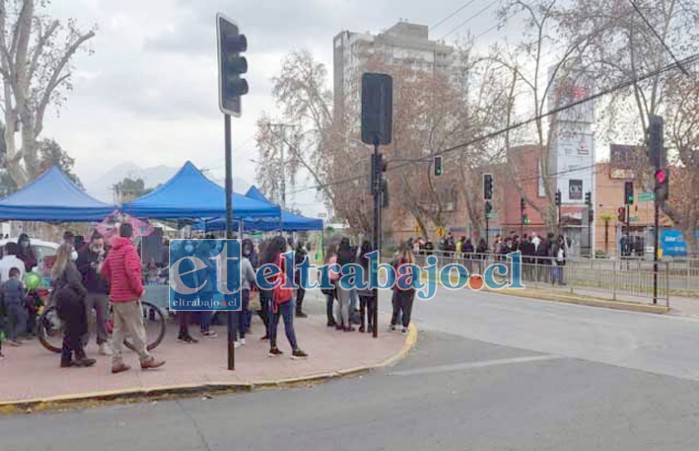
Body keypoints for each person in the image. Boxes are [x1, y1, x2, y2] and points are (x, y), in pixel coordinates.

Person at [101, 223, 165, 373]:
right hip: (129, 295)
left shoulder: (113, 251)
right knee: (137, 328)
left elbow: (104, 271)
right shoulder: (129, 250)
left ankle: (116, 361)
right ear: (132, 234)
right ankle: (145, 358)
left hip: (116, 296)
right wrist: (139, 289)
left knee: (118, 330)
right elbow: (132, 272)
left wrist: (115, 280)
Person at [262, 236, 307, 358]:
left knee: (273, 322)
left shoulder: (267, 259)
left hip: (272, 293)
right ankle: (295, 349)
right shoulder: (283, 258)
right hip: (284, 293)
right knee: (288, 322)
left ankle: (273, 347)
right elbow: (290, 274)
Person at [52, 244, 95, 368]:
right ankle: (73, 357)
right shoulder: (70, 265)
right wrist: (84, 292)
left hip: (63, 300)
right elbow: (74, 282)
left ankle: (77, 356)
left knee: (71, 330)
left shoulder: (59, 267)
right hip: (72, 300)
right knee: (75, 329)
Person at [76, 232, 112, 355]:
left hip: (102, 291)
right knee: (85, 318)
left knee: (103, 318)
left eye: (101, 244)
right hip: (87, 290)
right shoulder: (82, 253)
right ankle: (82, 343)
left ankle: (103, 342)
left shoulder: (107, 253)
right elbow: (77, 270)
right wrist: (89, 266)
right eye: (96, 244)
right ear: (91, 242)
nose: (98, 247)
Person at [391, 244, 416, 334]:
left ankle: (393, 324)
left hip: (398, 286)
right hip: (409, 287)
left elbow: (392, 273)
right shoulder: (412, 263)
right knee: (407, 308)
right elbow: (415, 276)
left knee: (396, 306)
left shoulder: (397, 262)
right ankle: (405, 326)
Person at [1, 267, 27, 346]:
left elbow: (2, 295)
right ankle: (14, 337)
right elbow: (22, 297)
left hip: (8, 305)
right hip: (17, 304)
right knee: (22, 323)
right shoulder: (18, 283)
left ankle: (14, 339)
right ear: (16, 274)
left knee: (11, 323)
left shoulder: (4, 284)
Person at [336, 237, 355, 332]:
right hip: (346, 281)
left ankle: (338, 322)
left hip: (339, 279)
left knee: (339, 303)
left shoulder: (339, 253)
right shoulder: (350, 254)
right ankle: (346, 324)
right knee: (345, 303)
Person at [357, 240, 374, 333]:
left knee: (362, 306)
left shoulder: (358, 259)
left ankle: (362, 325)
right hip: (371, 286)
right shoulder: (373, 259)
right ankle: (370, 325)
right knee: (370, 306)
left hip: (361, 285)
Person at [323, 244, 339, 327]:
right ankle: (339, 318)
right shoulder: (334, 259)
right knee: (339, 299)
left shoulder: (326, 259)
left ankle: (330, 319)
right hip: (333, 280)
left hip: (327, 282)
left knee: (329, 301)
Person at [294, 241, 308, 318]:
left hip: (298, 275)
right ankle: (298, 310)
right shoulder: (301, 255)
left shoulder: (296, 254)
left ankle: (298, 309)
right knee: (301, 293)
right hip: (300, 275)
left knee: (299, 293)